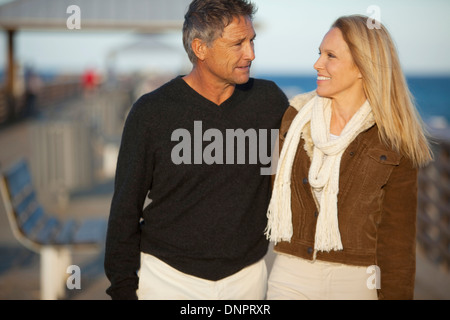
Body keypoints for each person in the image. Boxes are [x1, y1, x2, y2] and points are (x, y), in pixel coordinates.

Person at [104, 0, 289, 300]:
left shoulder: (269, 102)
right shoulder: (151, 112)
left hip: (248, 277)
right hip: (168, 278)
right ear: (200, 48)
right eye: (238, 43)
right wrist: (123, 288)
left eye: (252, 40)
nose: (251, 53)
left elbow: (290, 179)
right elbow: (124, 209)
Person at [265, 15, 433, 300]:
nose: (318, 64)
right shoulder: (293, 118)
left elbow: (397, 238)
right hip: (290, 275)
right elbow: (257, 185)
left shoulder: (392, 138)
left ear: (362, 66)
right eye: (319, 54)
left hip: (357, 280)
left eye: (330, 56)